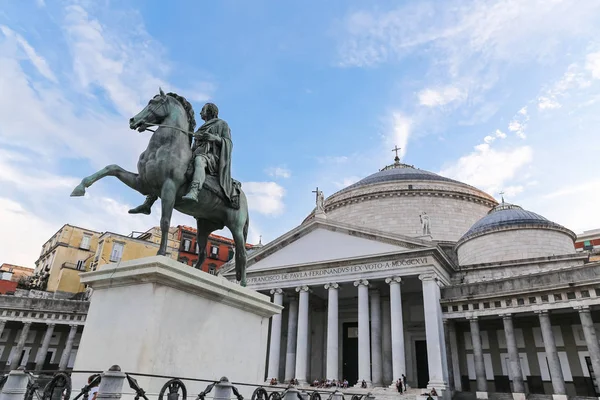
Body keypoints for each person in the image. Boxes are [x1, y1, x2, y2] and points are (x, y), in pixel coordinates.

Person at [129, 102, 236, 214]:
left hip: (210, 157)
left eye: (203, 110)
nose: (200, 112)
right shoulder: (201, 127)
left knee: (199, 160)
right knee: (169, 168)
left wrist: (213, 138)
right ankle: (148, 203)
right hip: (195, 153)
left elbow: (228, 143)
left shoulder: (222, 124)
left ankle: (194, 190)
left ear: (210, 111)